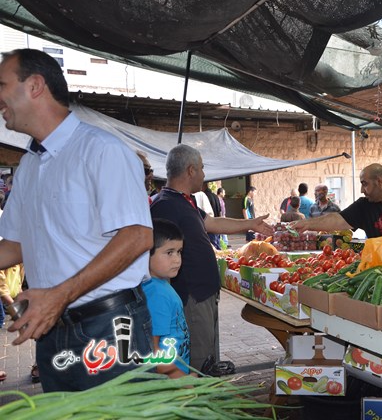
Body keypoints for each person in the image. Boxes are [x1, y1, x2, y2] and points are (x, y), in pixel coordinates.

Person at [0, 48, 153, 392]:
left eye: (2, 84)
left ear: (35, 85)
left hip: (109, 327)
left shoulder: (101, 150)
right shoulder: (30, 166)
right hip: (52, 328)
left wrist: (59, 295)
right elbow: (15, 244)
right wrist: (55, 301)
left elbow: (138, 237)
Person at [150, 144, 272, 371]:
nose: (205, 175)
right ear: (190, 170)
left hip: (204, 293)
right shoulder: (164, 205)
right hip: (191, 295)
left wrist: (251, 223)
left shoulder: (187, 201)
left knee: (208, 354)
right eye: (202, 168)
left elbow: (213, 223)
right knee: (198, 360)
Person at [292, 163, 382, 237]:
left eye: (365, 184)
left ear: (380, 181)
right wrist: (307, 223)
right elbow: (337, 219)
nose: (362, 190)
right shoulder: (365, 206)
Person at [142, 219, 193, 379]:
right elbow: (154, 351)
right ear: (146, 254)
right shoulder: (157, 294)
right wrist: (184, 382)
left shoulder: (160, 286)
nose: (177, 259)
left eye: (179, 251)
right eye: (169, 252)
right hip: (169, 381)